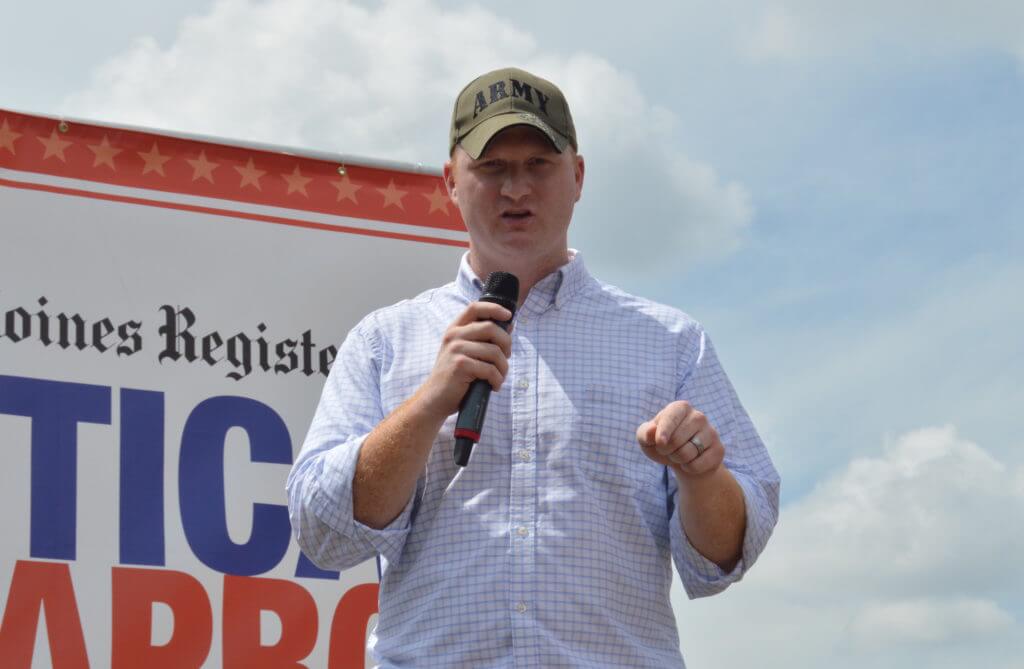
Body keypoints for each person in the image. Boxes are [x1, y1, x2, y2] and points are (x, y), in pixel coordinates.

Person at [287, 67, 780, 668]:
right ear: (451, 182)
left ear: (577, 177)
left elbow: (724, 557)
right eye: (491, 169)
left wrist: (705, 476)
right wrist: (429, 403)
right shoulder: (383, 340)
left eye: (538, 165)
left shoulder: (671, 343)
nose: (515, 189)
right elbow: (322, 532)